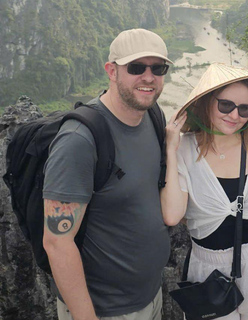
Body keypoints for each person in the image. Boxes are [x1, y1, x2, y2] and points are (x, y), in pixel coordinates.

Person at [42, 28, 173, 320]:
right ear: (111, 71)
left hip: (151, 296)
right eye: (136, 68)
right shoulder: (80, 140)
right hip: (105, 310)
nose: (149, 77)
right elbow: (57, 242)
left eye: (158, 68)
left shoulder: (153, 116)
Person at [161, 62, 248, 319]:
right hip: (207, 269)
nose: (235, 115)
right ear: (207, 103)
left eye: (244, 108)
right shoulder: (184, 150)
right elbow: (171, 215)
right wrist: (170, 149)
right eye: (226, 105)